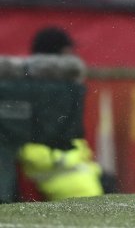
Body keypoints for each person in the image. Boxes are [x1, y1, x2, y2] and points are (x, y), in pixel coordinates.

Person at [17, 28, 105, 201]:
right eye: (68, 52)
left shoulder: (53, 86)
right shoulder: (40, 88)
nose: (73, 58)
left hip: (71, 170)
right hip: (61, 173)